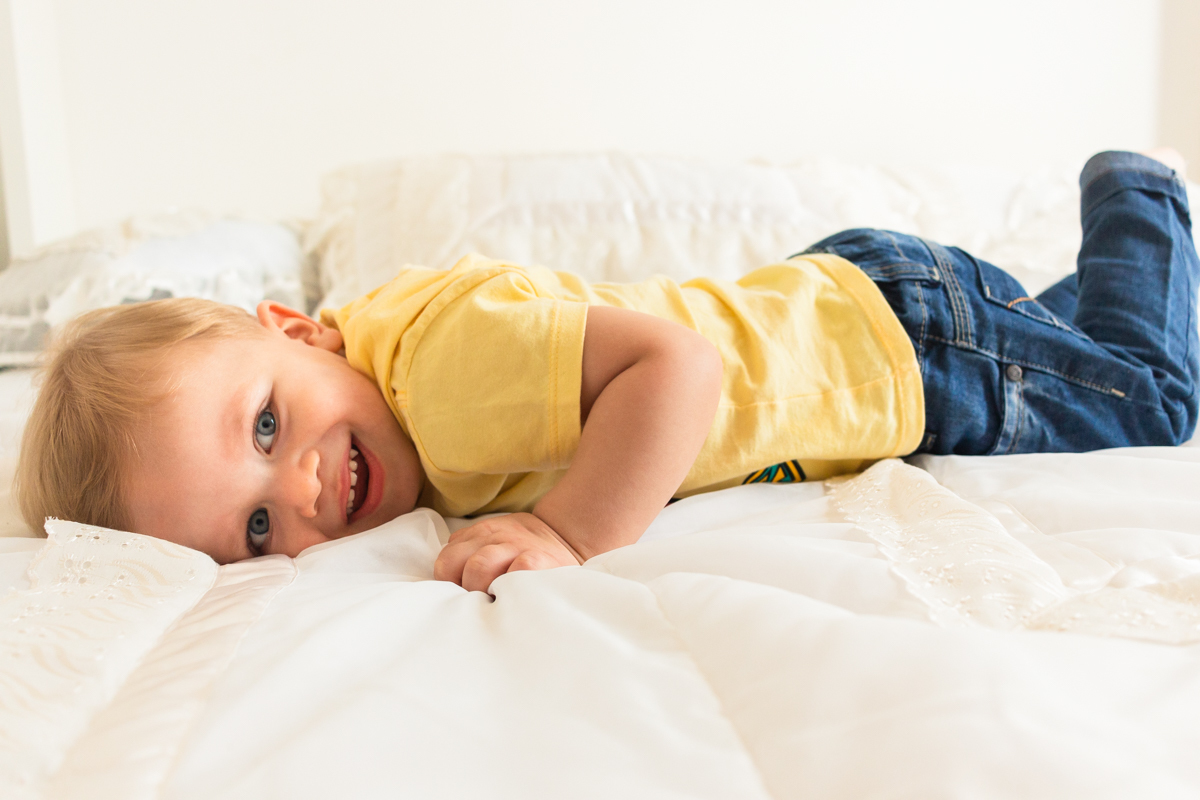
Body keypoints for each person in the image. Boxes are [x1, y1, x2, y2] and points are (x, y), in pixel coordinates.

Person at [15, 150, 1198, 593]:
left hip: (899, 355)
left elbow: (676, 368)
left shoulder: (448, 371)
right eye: (258, 530)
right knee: (1069, 360)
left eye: (268, 427)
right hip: (872, 310)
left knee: (1147, 394)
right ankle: (1070, 306)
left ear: (298, 326)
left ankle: (1138, 196)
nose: (308, 491)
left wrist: (572, 533)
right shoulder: (383, 356)